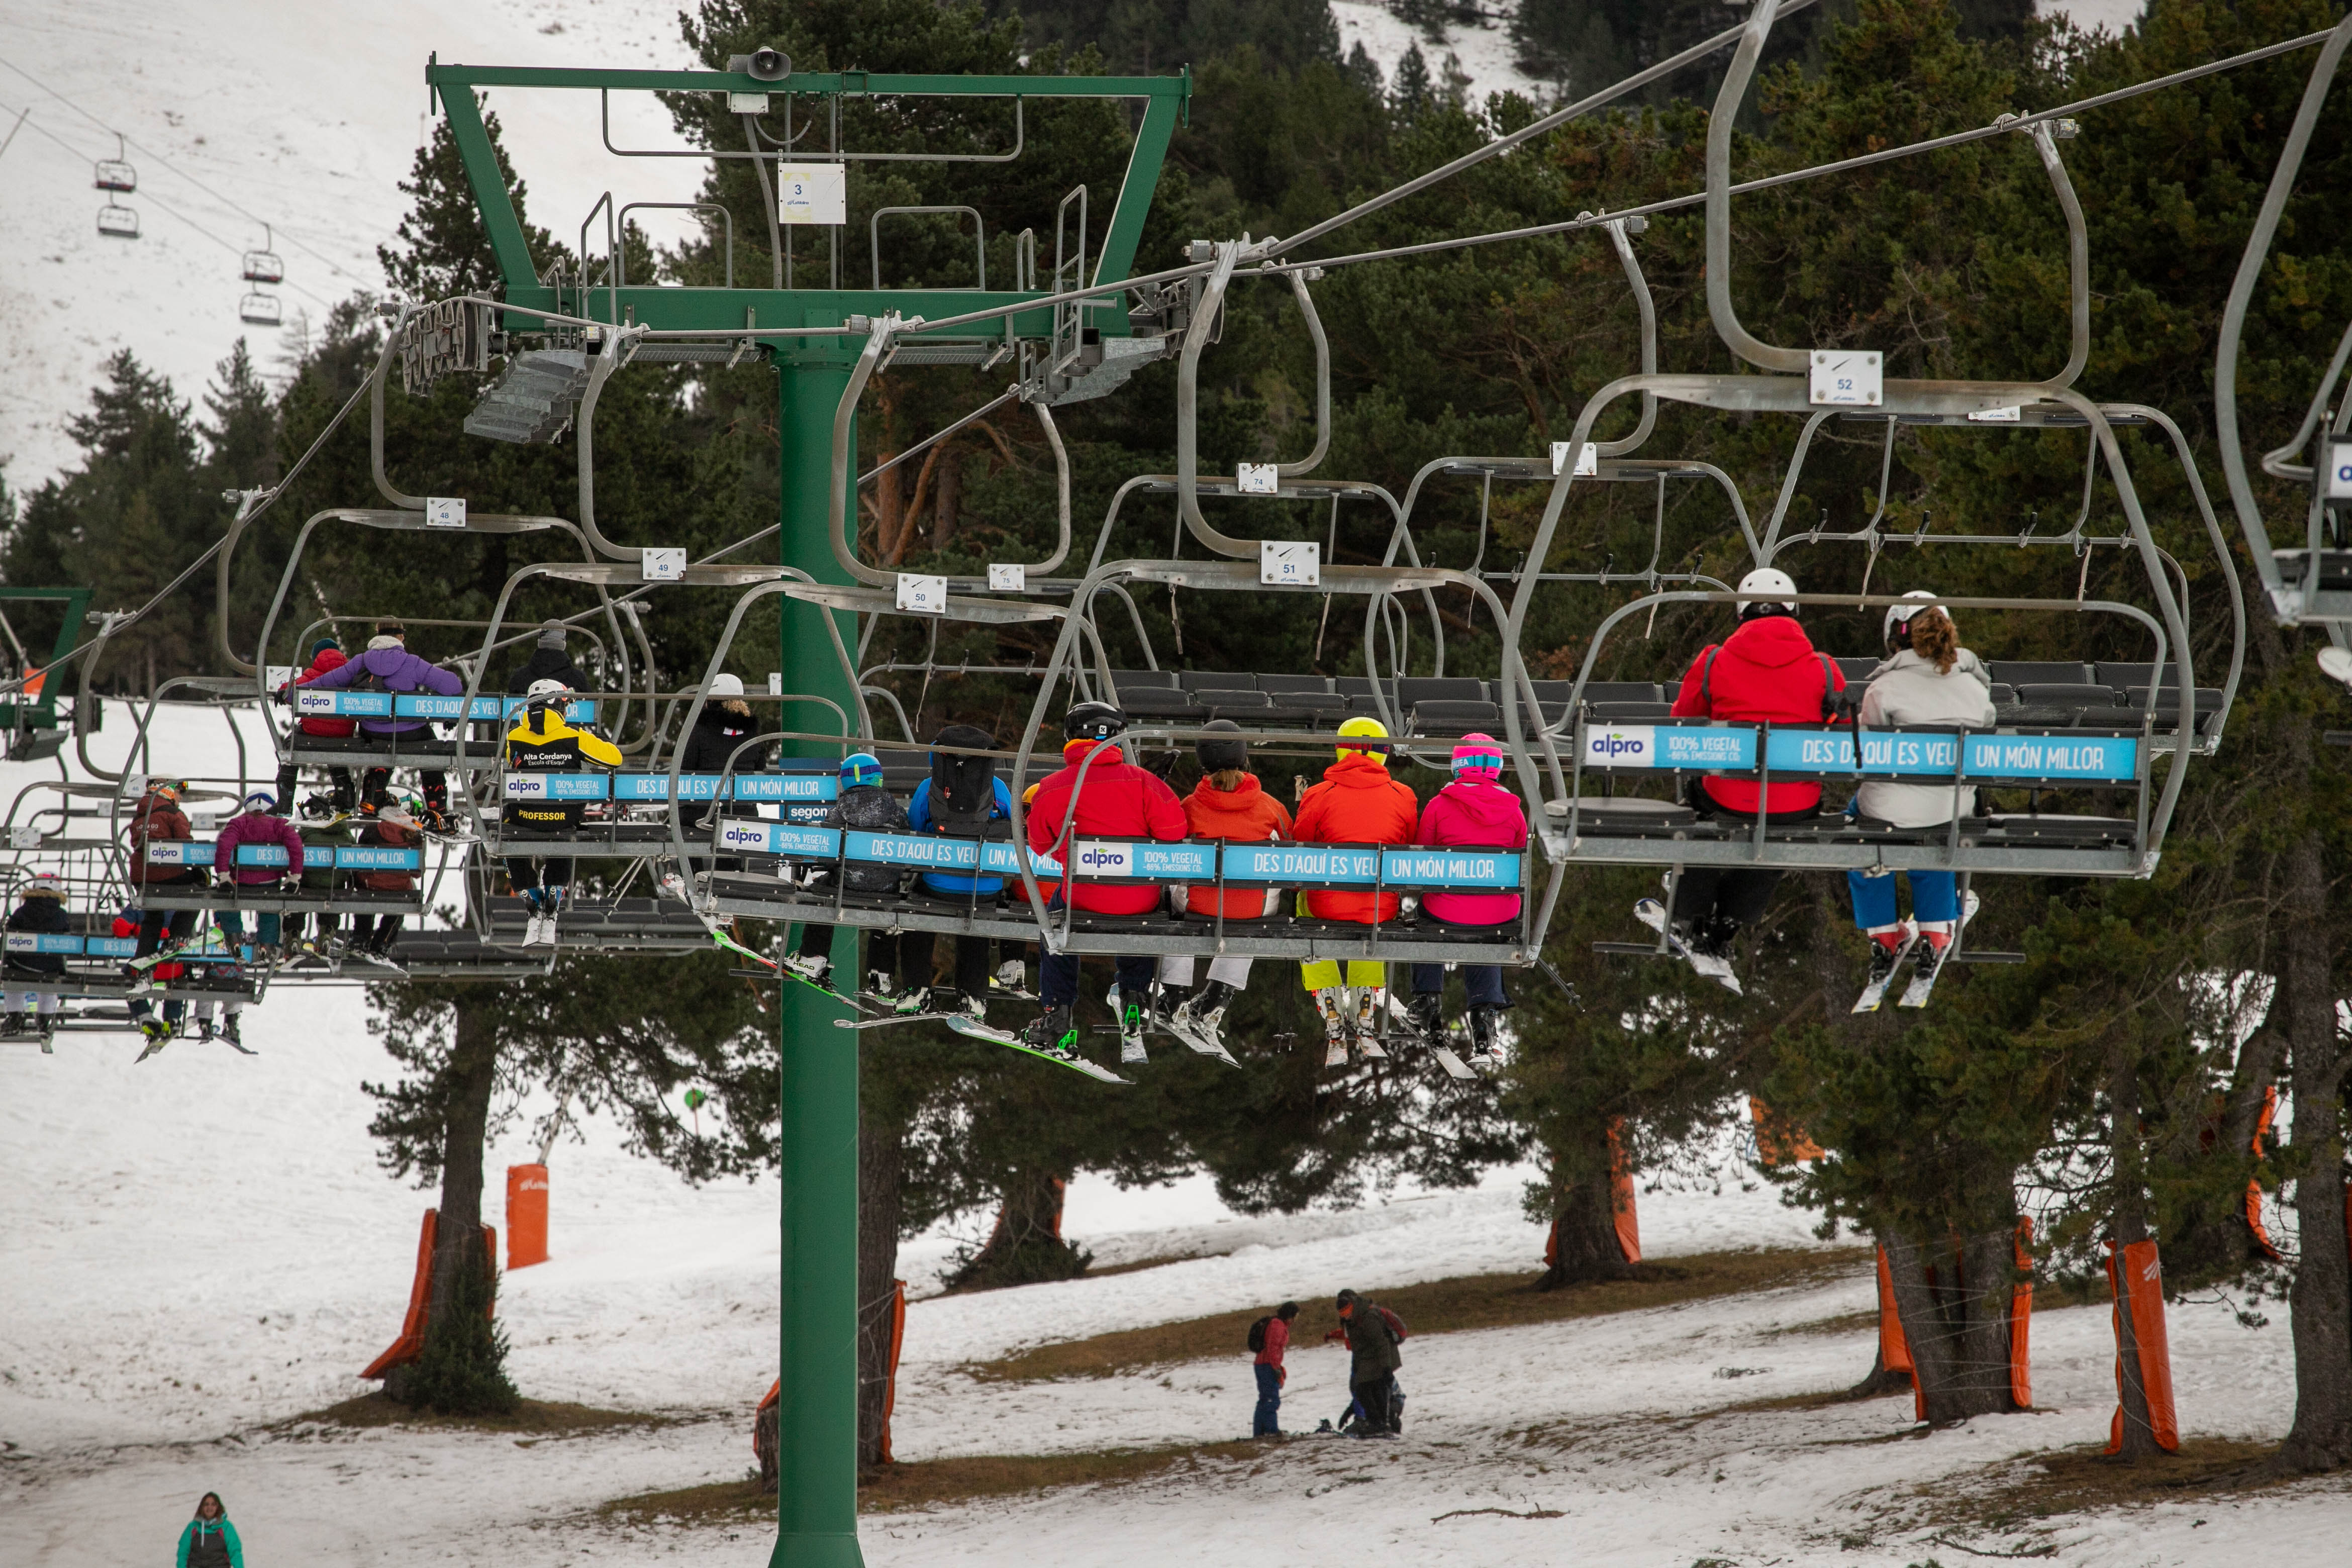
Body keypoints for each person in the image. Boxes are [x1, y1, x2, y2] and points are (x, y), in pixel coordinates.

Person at [1654, 566, 1847, 988]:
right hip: (1794, 803)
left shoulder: (1714, 662)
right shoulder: (1824, 669)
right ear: (1793, 610)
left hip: (1727, 796)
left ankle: (1693, 911)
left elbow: (1681, 724)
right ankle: (1725, 929)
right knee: (1777, 832)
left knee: (1704, 815)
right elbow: (1840, 729)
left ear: (1741, 612)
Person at [1019, 703, 1187, 1064]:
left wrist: (1072, 857)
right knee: (1142, 913)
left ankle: (1058, 1012)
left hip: (1081, 898)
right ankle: (1134, 995)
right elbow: (1174, 833)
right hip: (1138, 898)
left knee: (1053, 928)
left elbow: (1039, 842)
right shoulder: (1144, 783)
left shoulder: (1051, 788)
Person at [1848, 595, 1998, 991]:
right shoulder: (1974, 687)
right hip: (1951, 809)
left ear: (1897, 638)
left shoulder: (1886, 687)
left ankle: (1883, 933)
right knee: (1936, 827)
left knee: (1858, 825)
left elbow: (1867, 751)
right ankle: (1935, 930)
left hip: (1889, 813)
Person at [1157, 720, 1291, 1054]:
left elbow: (1167, 850)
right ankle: (1218, 997)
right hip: (1254, 911)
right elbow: (1292, 848)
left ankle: (1175, 996)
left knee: (1173, 910)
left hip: (1198, 908)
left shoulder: (1189, 807)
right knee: (1249, 913)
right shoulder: (1271, 808)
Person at [1294, 716, 1420, 1065]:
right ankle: (1365, 999)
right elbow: (1408, 845)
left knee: (1305, 904)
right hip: (1376, 906)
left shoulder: (1320, 793)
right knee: (1380, 911)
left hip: (1326, 903)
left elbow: (1300, 845)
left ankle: (1329, 999)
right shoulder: (1402, 795)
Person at [1407, 734, 1528, 1063]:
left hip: (1445, 910)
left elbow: (1421, 859)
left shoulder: (1439, 805)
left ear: (1458, 765)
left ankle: (1428, 1004)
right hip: (1499, 912)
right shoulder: (1515, 812)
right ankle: (1484, 1020)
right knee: (1487, 927)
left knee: (1427, 920)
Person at [896, 724, 1023, 1020]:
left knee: (918, 914)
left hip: (938, 886)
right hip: (985, 888)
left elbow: (915, 828)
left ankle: (917, 988)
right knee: (976, 918)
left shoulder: (928, 789)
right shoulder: (999, 789)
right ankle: (974, 995)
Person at [293, 620, 464, 824]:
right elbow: (452, 685)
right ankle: (438, 806)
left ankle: (373, 795)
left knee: (381, 744)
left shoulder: (361, 661)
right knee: (431, 749)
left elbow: (328, 681)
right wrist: (448, 712)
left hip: (372, 732)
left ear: (377, 635)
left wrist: (293, 694)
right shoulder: (412, 662)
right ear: (400, 637)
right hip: (410, 732)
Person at [500, 678, 623, 947]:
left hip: (524, 818)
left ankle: (527, 891)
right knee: (568, 824)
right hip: (564, 819)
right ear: (557, 704)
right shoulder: (574, 737)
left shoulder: (514, 737)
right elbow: (615, 758)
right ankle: (555, 886)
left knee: (503, 829)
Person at [781, 753, 911, 995]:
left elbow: (827, 854)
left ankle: (812, 956)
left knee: (819, 892)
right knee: (887, 905)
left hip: (847, 885)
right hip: (885, 888)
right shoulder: (895, 811)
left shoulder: (840, 811)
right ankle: (881, 973)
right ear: (878, 778)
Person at [123, 777, 200, 1033]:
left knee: (153, 916)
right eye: (178, 794)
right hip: (167, 875)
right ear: (167, 794)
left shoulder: (139, 818)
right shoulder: (173, 814)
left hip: (142, 877)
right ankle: (178, 936)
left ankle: (144, 966)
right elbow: (186, 846)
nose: (180, 799)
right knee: (201, 886)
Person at [211, 790, 304, 960]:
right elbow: (297, 847)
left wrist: (224, 875)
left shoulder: (238, 823)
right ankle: (266, 946)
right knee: (269, 910)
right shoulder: (280, 824)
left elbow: (224, 846)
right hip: (269, 881)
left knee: (229, 903)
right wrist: (294, 876)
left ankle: (233, 938)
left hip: (240, 882)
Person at [676, 674, 764, 836]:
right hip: (745, 814)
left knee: (681, 823)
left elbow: (686, 769)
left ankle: (689, 862)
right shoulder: (754, 734)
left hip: (703, 814)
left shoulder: (701, 731)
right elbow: (760, 769)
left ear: (711, 701)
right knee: (735, 839)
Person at [277, 636, 356, 813]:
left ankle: (285, 801)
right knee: (336, 753)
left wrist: (282, 689)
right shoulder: (350, 675)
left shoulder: (313, 675)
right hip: (343, 735)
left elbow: (289, 691)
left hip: (312, 732)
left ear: (316, 657)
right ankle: (346, 796)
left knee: (289, 748)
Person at [1325, 1289, 1404, 1437]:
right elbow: (1357, 1343)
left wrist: (1386, 1367)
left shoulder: (1368, 1317)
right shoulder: (1352, 1320)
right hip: (1368, 1359)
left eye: (1347, 1312)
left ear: (1352, 1305)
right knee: (1363, 1389)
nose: (1345, 1316)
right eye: (1342, 1314)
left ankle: (1380, 1423)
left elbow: (1381, 1344)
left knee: (1374, 1389)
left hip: (1381, 1358)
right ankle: (1376, 1422)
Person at [3, 872, 70, 1043]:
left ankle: (15, 1015)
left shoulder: (21, 912)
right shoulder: (61, 915)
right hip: (50, 967)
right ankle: (45, 1018)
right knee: (50, 980)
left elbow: (7, 939)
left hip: (20, 965)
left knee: (12, 975)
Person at [352, 804, 423, 960]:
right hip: (399, 889)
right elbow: (417, 873)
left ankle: (360, 939)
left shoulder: (373, 830)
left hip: (370, 885)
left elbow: (357, 858)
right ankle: (382, 943)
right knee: (397, 910)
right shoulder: (414, 834)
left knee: (364, 899)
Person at [288, 795, 352, 956]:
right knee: (332, 893)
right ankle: (327, 932)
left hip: (308, 882)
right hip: (335, 885)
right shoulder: (344, 833)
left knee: (296, 896)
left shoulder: (307, 831)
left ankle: (294, 935)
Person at [1251, 1299, 1300, 1438]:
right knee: (1271, 1400)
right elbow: (1273, 1350)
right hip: (1267, 1366)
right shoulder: (1277, 1326)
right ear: (1290, 1316)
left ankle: (1260, 1432)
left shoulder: (1276, 1324)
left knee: (1265, 1399)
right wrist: (1276, 1370)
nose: (1295, 1321)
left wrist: (1278, 1367)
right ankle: (1271, 1431)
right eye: (1295, 1317)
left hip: (1263, 1365)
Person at [506, 619, 592, 695]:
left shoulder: (520, 677)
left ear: (540, 642)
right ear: (563, 644)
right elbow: (590, 708)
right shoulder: (578, 679)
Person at [175, 1491, 244, 1568]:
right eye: (206, 1504)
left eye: (213, 1504)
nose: (210, 1507)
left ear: (218, 1507)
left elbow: (235, 1553)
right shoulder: (193, 1527)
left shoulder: (226, 1527)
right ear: (202, 1507)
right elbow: (183, 1552)